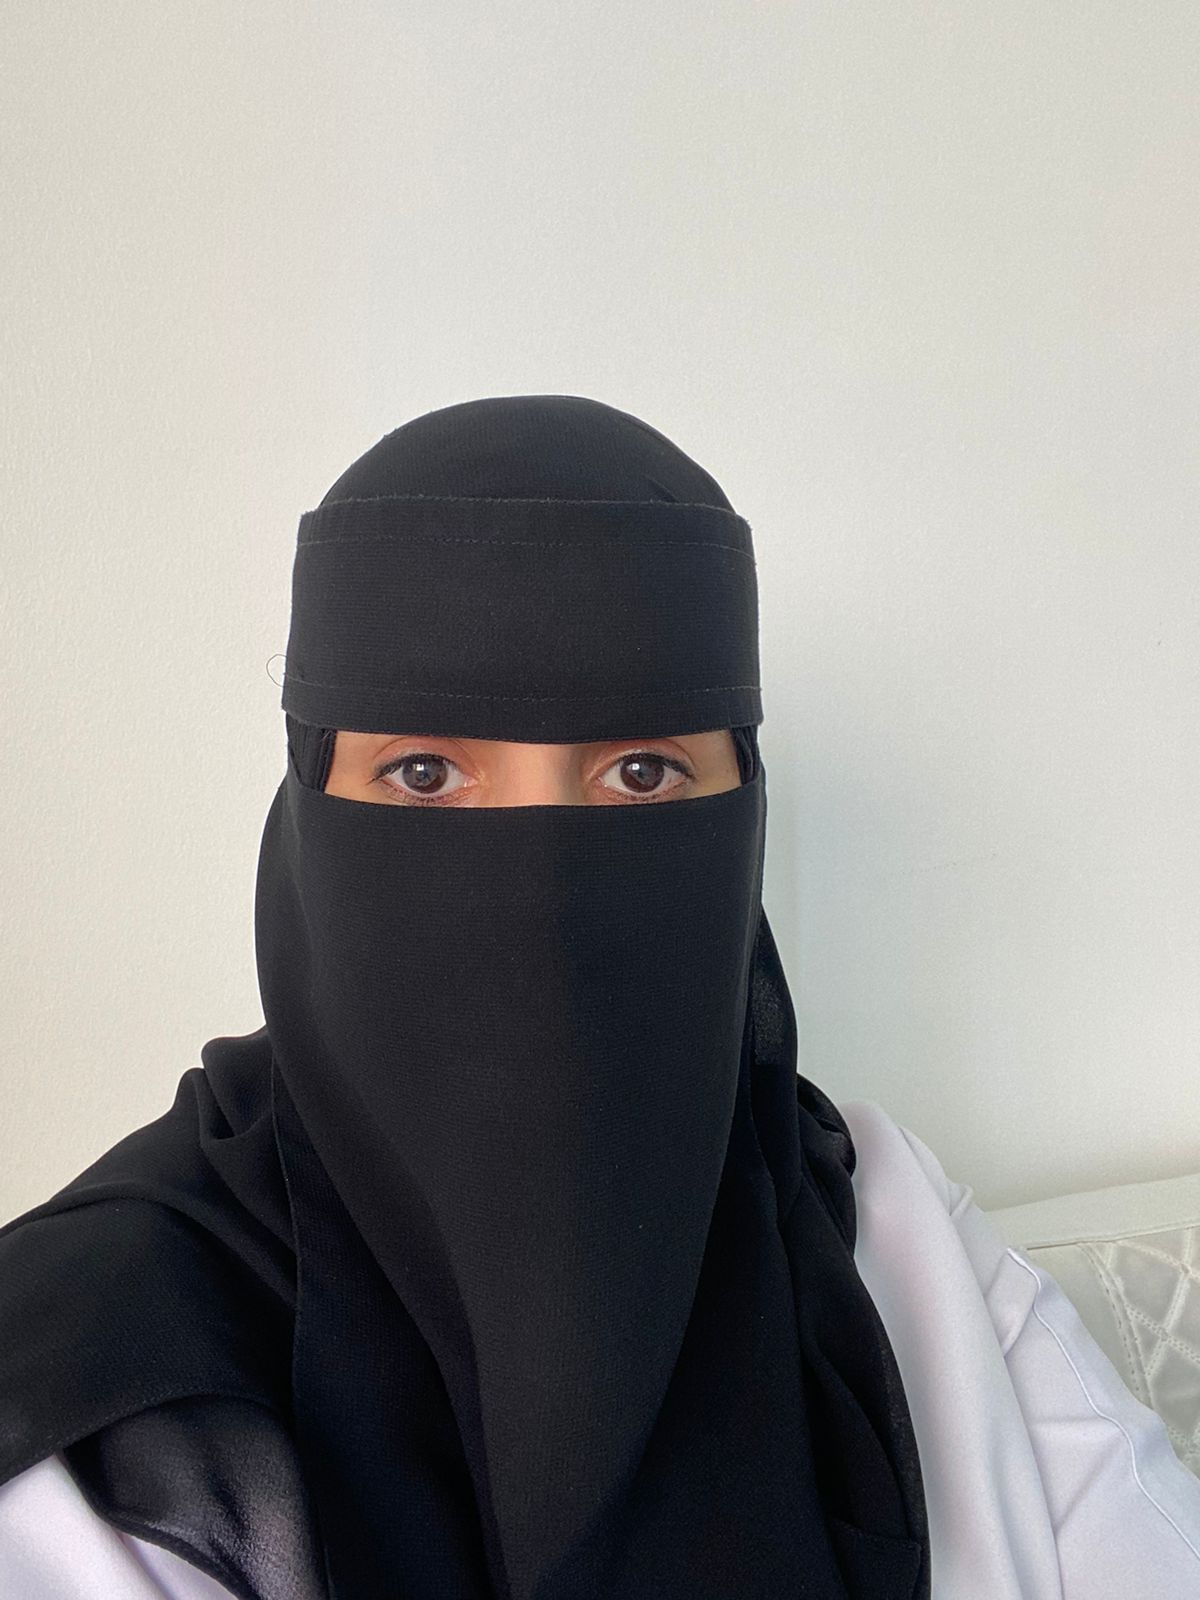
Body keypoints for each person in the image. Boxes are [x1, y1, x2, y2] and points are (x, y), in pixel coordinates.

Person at [0, 395, 1197, 1600]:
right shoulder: (95, 1383)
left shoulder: (888, 1224)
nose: (541, 897)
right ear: (309, 808)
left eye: (640, 770)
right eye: (425, 771)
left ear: (743, 806)